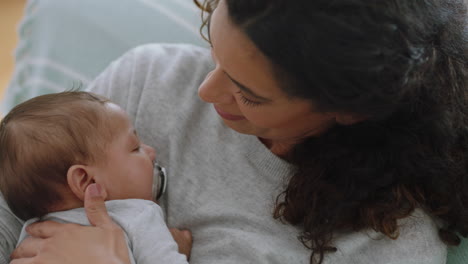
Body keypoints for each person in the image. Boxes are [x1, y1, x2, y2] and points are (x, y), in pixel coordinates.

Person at [3, 0, 468, 263]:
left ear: (348, 110)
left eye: (249, 92)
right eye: (213, 48)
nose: (205, 91)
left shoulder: (384, 246)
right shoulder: (141, 83)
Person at [0, 91, 190, 264]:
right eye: (135, 148)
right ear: (86, 181)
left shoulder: (30, 234)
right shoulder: (139, 215)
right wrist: (175, 249)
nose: (151, 152)